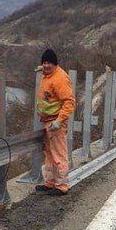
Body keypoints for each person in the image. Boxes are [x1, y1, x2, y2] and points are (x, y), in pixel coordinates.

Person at [35, 49, 75, 196]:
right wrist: (43, 69)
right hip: (47, 122)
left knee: (59, 155)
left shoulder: (60, 78)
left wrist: (59, 121)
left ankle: (62, 186)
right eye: (44, 63)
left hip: (55, 122)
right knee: (50, 155)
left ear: (55, 64)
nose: (46, 65)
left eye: (49, 63)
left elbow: (69, 102)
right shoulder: (47, 75)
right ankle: (50, 183)